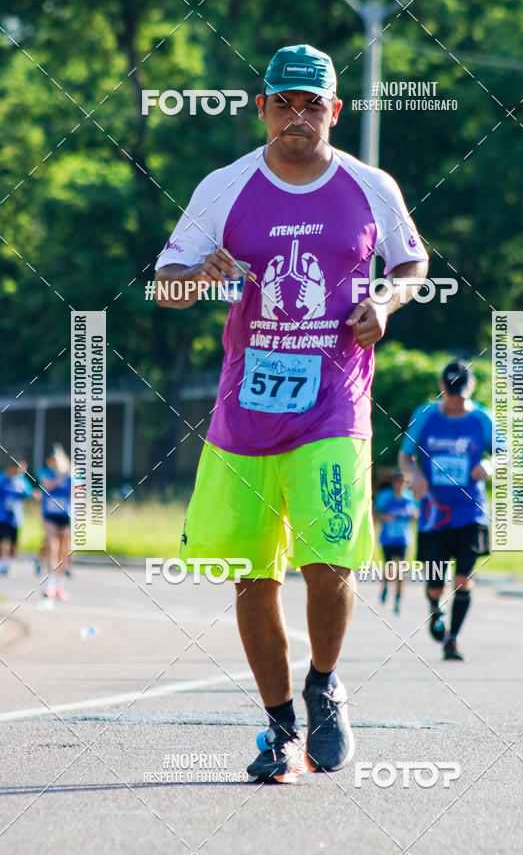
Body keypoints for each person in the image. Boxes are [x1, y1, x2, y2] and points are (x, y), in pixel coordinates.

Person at [155, 44, 429, 782]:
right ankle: (279, 725)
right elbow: (165, 284)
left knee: (329, 557)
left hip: (334, 406)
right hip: (246, 412)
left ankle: (325, 686)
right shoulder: (225, 187)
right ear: (262, 107)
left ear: (335, 112)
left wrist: (386, 300)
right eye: (285, 102)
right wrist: (197, 275)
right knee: (251, 575)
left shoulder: (370, 186)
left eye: (314, 104)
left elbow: (412, 263)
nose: (298, 116)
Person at [400, 360, 493, 661]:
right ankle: (434, 609)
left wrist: (490, 465)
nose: (455, 401)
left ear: (472, 389)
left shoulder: (483, 419)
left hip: (470, 511)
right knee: (436, 584)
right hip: (434, 512)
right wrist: (415, 477)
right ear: (442, 388)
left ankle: (452, 639)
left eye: (461, 395)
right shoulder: (424, 416)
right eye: (451, 394)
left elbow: (505, 454)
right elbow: (406, 457)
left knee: (463, 578)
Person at [374, 470, 417, 613]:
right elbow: (376, 513)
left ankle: (398, 599)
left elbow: (416, 515)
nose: (400, 484)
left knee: (402, 570)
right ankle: (385, 586)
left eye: (402, 481)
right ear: (393, 482)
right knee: (389, 567)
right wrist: (383, 517)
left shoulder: (410, 498)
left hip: (403, 538)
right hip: (387, 537)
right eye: (397, 481)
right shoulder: (385, 497)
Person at [37, 444, 72, 600]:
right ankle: (50, 585)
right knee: (52, 545)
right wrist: (62, 476)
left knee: (64, 551)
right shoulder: (45, 473)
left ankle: (59, 586)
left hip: (65, 515)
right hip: (50, 514)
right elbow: (47, 486)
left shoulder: (70, 476)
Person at [0, 459, 35, 576]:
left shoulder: (22, 481)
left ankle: (11, 563)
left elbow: (30, 494)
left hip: (16, 516)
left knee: (14, 542)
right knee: (4, 540)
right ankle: (3, 563)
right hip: (3, 516)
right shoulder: (2, 479)